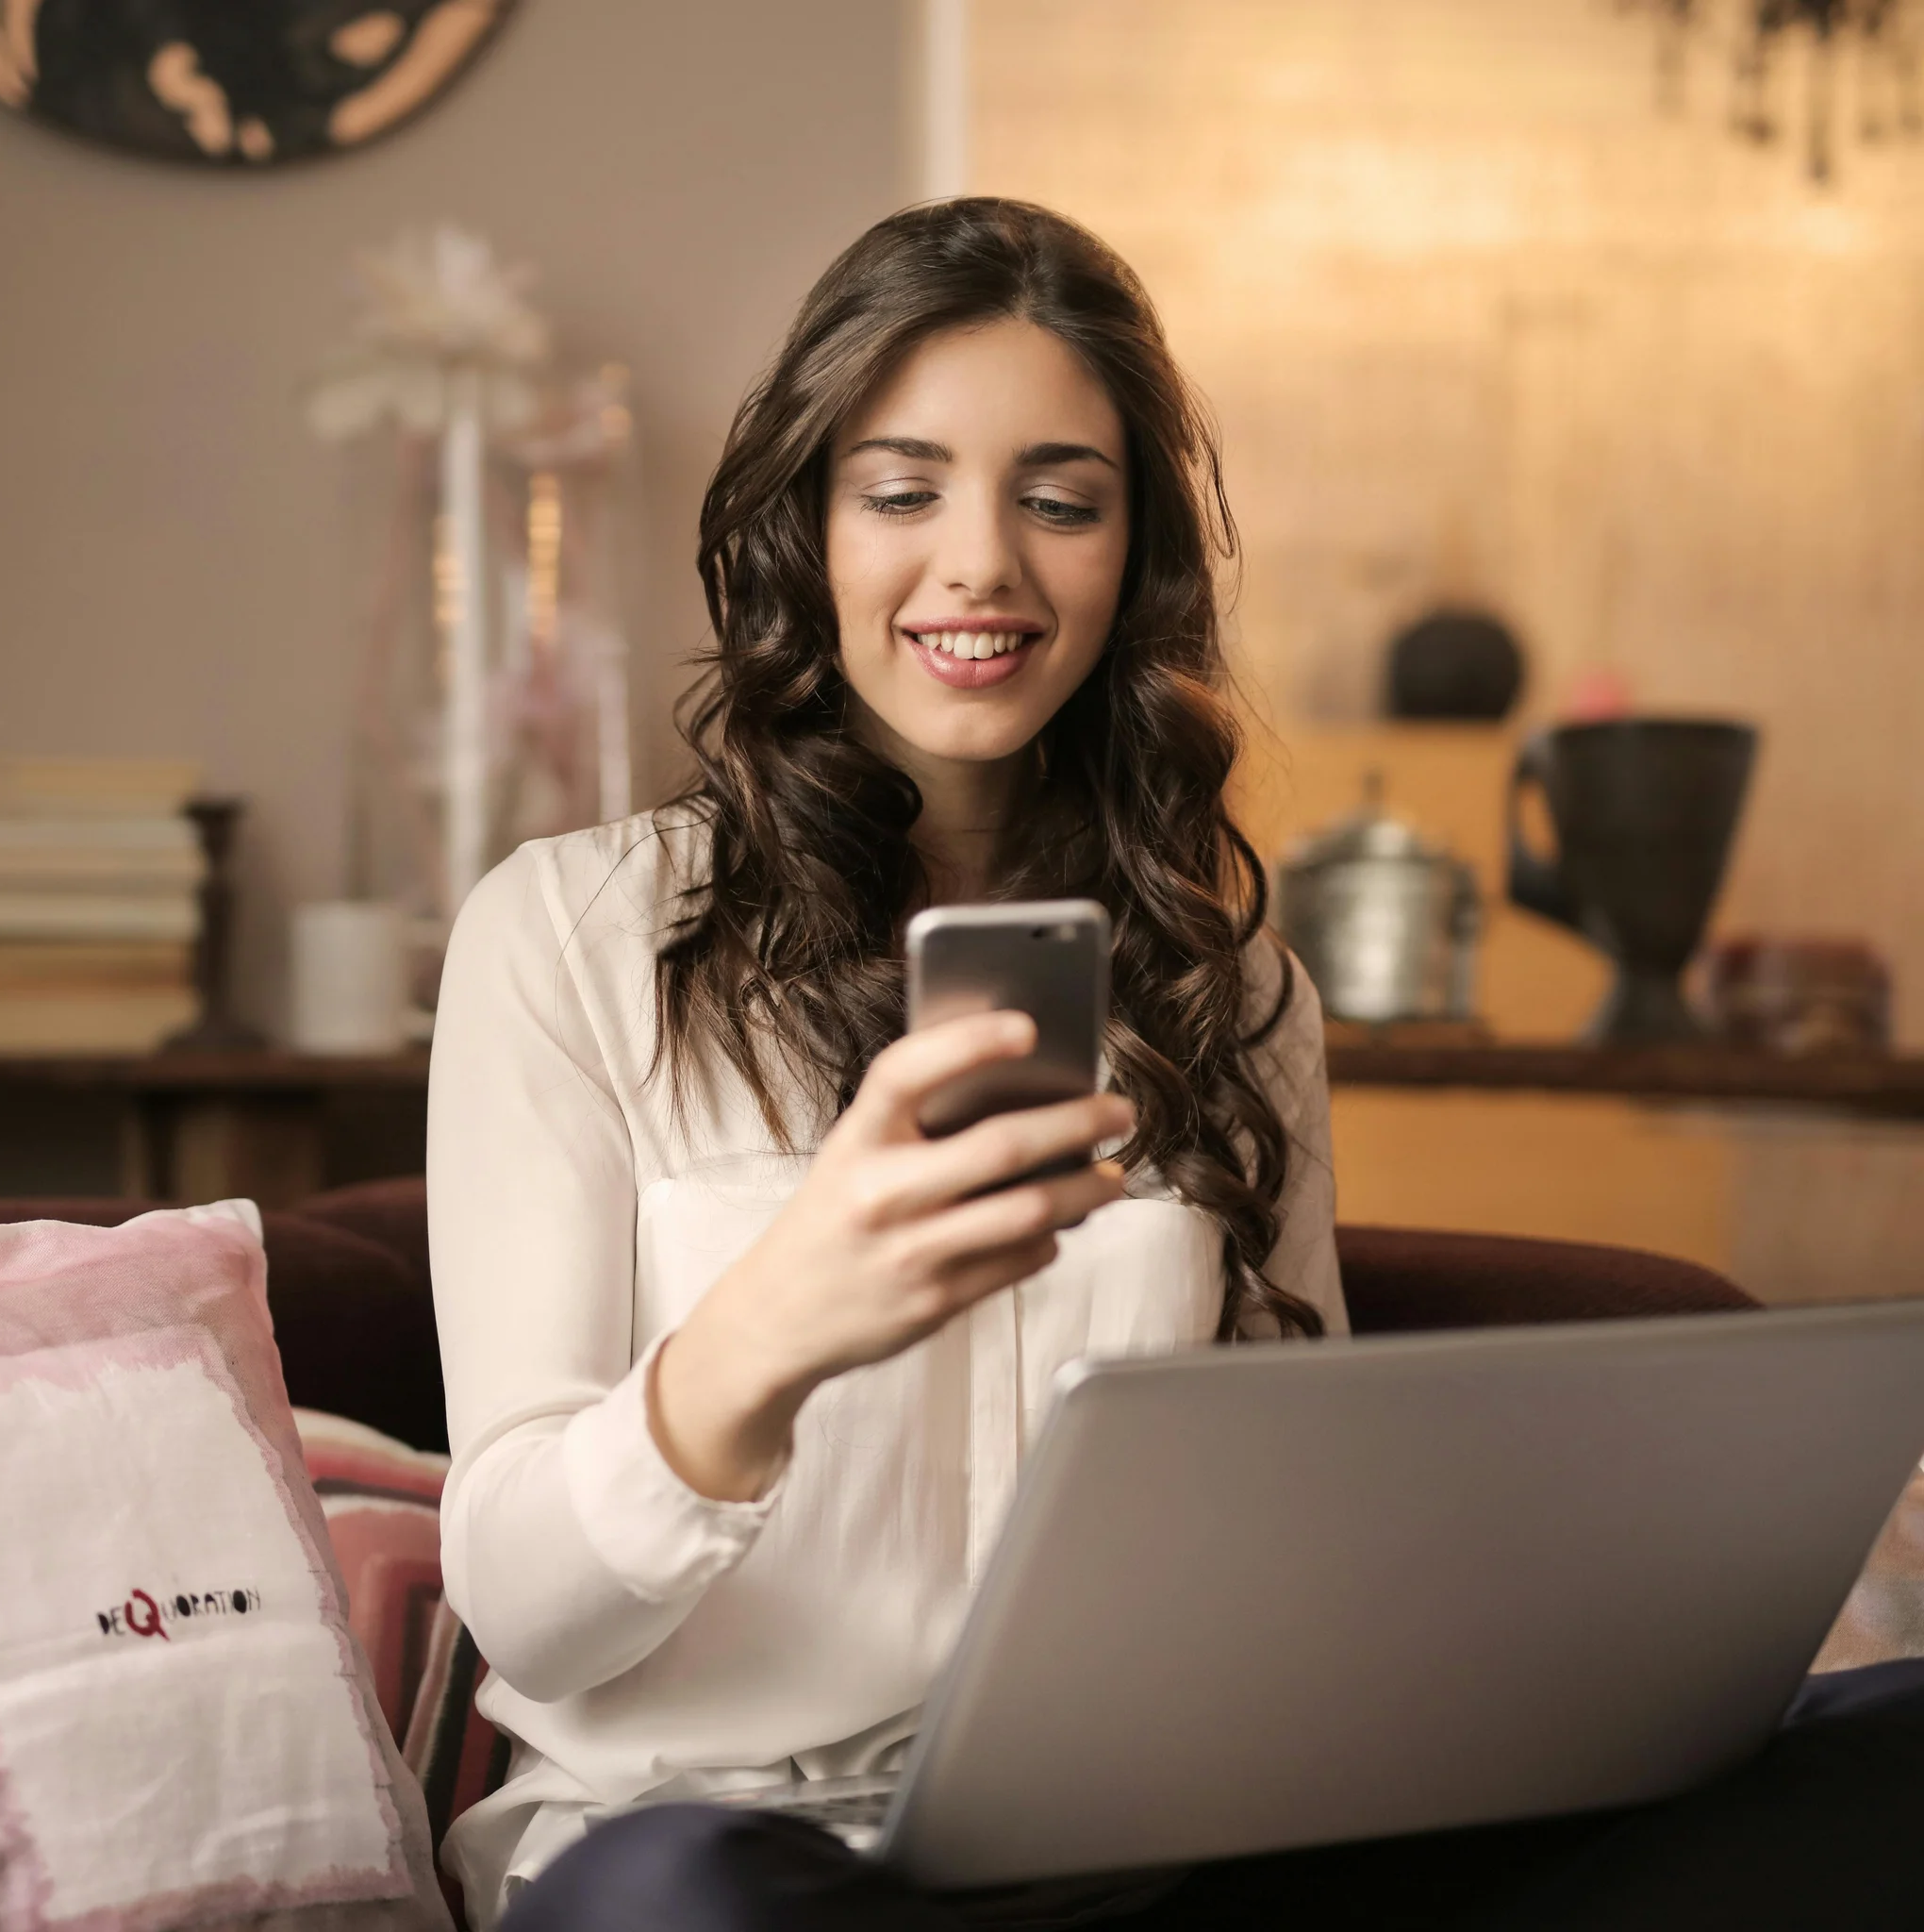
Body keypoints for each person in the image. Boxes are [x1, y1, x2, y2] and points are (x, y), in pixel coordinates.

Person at [427, 199, 1924, 1932]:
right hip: (718, 1848)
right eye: (902, 491)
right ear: (804, 534)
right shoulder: (574, 939)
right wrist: (775, 1327)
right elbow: (526, 1606)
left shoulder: (1237, 997)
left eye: (1059, 500)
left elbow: (1294, 1520)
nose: (980, 565)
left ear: (1131, 557)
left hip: (1140, 1856)